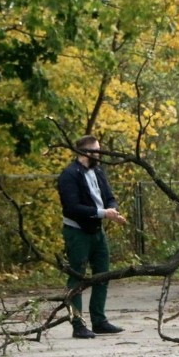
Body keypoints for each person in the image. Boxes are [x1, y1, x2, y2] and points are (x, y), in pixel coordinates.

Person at [57, 135, 127, 339]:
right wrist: (103, 213)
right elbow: (72, 208)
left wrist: (112, 210)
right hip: (77, 231)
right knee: (77, 277)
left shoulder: (98, 170)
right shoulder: (69, 175)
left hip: (97, 230)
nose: (100, 154)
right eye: (97, 151)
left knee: (102, 274)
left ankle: (99, 320)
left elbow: (109, 197)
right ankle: (77, 323)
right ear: (85, 153)